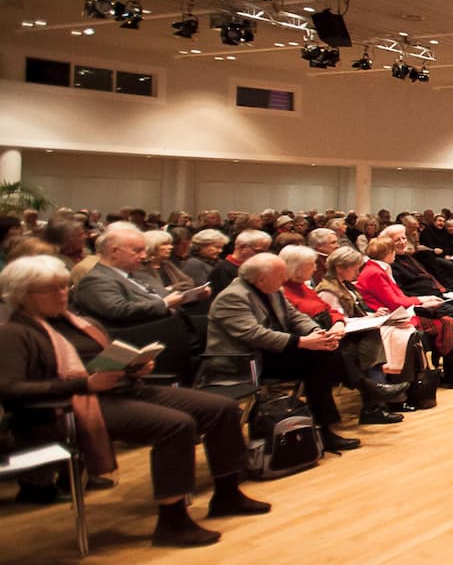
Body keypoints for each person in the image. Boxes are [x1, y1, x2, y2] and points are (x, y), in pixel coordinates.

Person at [0, 256, 270, 547]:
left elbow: (105, 358)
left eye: (64, 287)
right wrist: (84, 384)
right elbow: (10, 389)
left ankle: (227, 494)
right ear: (22, 295)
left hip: (120, 387)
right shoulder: (15, 333)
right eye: (50, 289)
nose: (62, 294)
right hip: (74, 405)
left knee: (221, 409)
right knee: (176, 425)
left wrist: (134, 366)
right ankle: (172, 520)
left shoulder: (79, 322)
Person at [203, 253, 364, 453]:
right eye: (281, 274)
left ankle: (325, 427)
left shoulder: (273, 290)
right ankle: (333, 422)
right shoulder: (232, 297)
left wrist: (316, 333)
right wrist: (303, 342)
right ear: (262, 278)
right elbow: (255, 335)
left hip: (272, 352)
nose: (285, 278)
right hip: (245, 361)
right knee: (320, 359)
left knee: (324, 354)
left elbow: (296, 317)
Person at [276, 245, 409, 425]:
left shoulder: (303, 288)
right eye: (311, 264)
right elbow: (294, 323)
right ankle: (374, 398)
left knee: (371, 338)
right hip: (305, 343)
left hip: (326, 332)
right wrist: (324, 331)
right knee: (352, 347)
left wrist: (338, 322)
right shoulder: (287, 292)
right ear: (296, 267)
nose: (316, 268)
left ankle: (375, 401)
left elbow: (329, 311)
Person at [352, 239, 453, 387]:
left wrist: (422, 300)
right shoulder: (375, 272)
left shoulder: (378, 269)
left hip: (400, 312)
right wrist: (421, 300)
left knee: (447, 322)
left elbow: (399, 299)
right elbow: (395, 302)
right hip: (393, 318)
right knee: (447, 323)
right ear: (388, 253)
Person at [70, 224, 201, 327]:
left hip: (171, 324)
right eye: (137, 251)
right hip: (141, 334)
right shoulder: (96, 279)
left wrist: (190, 296)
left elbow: (161, 294)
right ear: (114, 251)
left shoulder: (133, 272)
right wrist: (164, 304)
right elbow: (118, 310)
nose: (144, 256)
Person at [133, 229, 196, 295]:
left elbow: (189, 282)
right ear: (153, 246)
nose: (171, 247)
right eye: (165, 244)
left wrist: (170, 288)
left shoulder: (166, 264)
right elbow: (157, 292)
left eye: (170, 244)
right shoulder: (141, 267)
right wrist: (175, 288)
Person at [210, 229, 271, 296]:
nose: (262, 255)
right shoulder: (222, 270)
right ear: (242, 247)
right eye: (258, 251)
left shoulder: (258, 266)